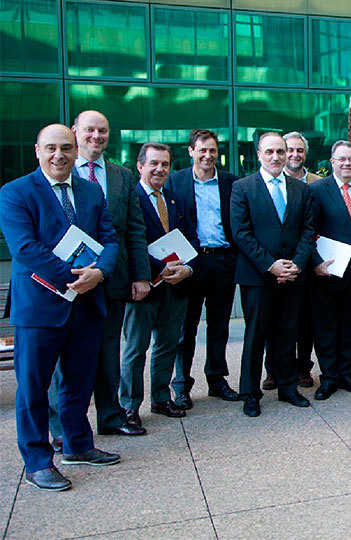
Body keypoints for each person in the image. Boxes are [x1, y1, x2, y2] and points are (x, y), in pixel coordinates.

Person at [0, 124, 121, 491]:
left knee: (79, 381)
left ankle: (78, 445)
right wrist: (76, 277)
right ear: (37, 151)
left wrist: (100, 272)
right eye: (51, 148)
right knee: (33, 388)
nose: (59, 155)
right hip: (39, 307)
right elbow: (25, 248)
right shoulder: (15, 192)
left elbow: (109, 239)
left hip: (85, 304)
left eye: (66, 148)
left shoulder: (90, 190)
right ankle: (37, 462)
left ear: (75, 150)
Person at [47, 110, 150, 450]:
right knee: (63, 357)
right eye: (89, 129)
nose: (96, 136)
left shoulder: (122, 175)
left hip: (111, 278)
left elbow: (134, 229)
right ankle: (61, 427)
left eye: (102, 130)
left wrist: (141, 276)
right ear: (75, 131)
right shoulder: (59, 170)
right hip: (68, 280)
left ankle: (110, 416)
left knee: (108, 352)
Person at [230, 132, 315, 417]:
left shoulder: (300, 189)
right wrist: (270, 265)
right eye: (270, 152)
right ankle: (250, 393)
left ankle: (288, 387)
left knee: (288, 332)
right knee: (256, 335)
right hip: (258, 276)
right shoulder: (243, 187)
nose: (276, 157)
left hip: (292, 275)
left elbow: (308, 230)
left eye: (281, 151)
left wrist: (297, 264)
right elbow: (241, 233)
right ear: (258, 154)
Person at [119, 143, 198, 423]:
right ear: (140, 166)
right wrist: (159, 268)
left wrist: (187, 268)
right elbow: (128, 243)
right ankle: (129, 406)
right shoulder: (130, 199)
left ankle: (161, 398)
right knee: (135, 349)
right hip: (144, 286)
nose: (159, 169)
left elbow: (192, 238)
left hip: (176, 285)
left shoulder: (177, 200)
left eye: (165, 164)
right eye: (153, 163)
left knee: (167, 345)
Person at [169, 129, 242, 409]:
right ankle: (181, 385)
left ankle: (216, 379)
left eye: (212, 150)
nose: (208, 155)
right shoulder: (175, 182)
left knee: (219, 325)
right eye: (202, 150)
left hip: (222, 261)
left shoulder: (231, 183)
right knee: (185, 328)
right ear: (191, 151)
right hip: (190, 262)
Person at [308, 140, 351, 400]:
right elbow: (308, 230)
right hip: (328, 270)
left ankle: (346, 374)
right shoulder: (317, 190)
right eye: (342, 159)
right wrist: (315, 261)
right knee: (326, 326)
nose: (347, 163)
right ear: (332, 162)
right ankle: (329, 378)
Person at [283, 131, 321, 388]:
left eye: (299, 150)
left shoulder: (318, 183)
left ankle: (304, 368)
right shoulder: (272, 180)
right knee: (277, 319)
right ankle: (275, 369)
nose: (294, 155)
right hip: (279, 263)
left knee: (306, 319)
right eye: (289, 150)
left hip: (309, 262)